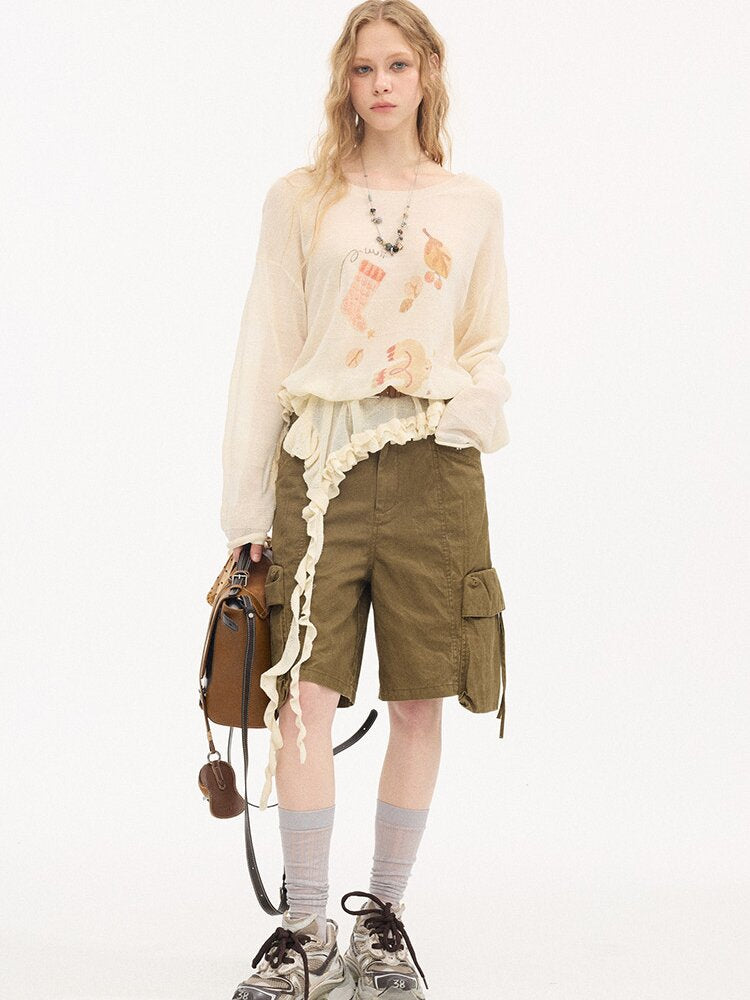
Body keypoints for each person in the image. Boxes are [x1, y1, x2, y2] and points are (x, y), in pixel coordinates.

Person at [220, 2, 511, 997]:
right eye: (362, 68)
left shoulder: (472, 203)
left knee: (420, 696)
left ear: (427, 74)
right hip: (319, 464)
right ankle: (306, 929)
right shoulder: (302, 199)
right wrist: (245, 513)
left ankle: (382, 921)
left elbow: (485, 344)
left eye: (397, 65)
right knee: (300, 699)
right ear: (343, 82)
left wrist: (452, 393)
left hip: (434, 466)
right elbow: (267, 347)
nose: (380, 84)